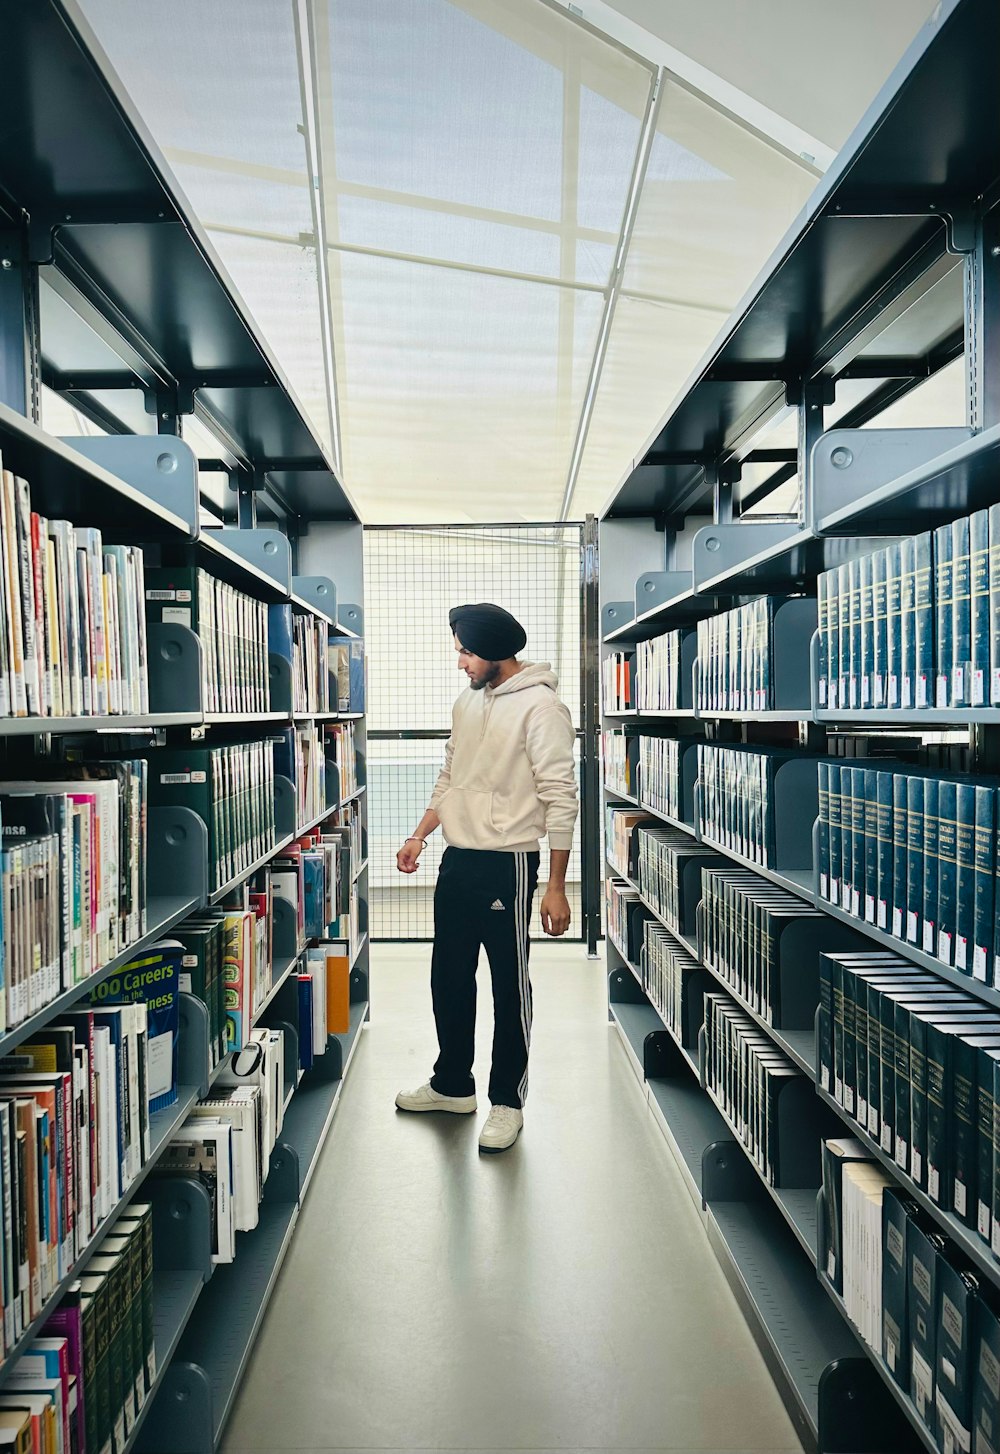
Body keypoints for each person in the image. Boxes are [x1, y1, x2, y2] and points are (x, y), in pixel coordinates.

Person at [395, 602, 579, 1153]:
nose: (461, 663)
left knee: (507, 985)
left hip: (510, 862)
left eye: (467, 652)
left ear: (497, 650)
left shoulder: (543, 708)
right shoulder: (467, 702)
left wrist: (555, 885)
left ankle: (507, 1101)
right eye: (458, 651)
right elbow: (451, 775)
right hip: (459, 858)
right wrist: (420, 834)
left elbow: (560, 797)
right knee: (447, 977)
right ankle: (453, 1084)